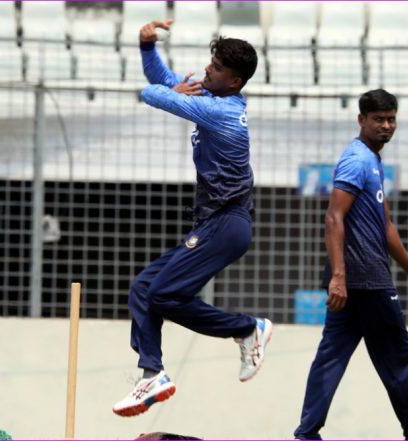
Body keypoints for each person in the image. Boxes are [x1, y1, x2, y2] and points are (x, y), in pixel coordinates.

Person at [112, 19, 273, 418]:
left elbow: (153, 93)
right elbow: (164, 80)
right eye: (210, 62)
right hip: (214, 223)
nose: (206, 70)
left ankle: (246, 328)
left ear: (234, 82)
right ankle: (152, 373)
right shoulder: (211, 95)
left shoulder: (222, 111)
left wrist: (171, 91)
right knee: (144, 287)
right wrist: (147, 47)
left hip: (227, 222)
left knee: (164, 294)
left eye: (215, 68)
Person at [293, 89, 408, 440]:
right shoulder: (357, 160)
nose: (386, 126)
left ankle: (307, 433)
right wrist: (339, 277)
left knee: (331, 355)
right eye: (378, 120)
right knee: (397, 356)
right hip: (366, 280)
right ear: (362, 120)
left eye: (391, 119)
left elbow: (384, 225)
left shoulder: (372, 160)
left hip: (353, 282)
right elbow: (333, 218)